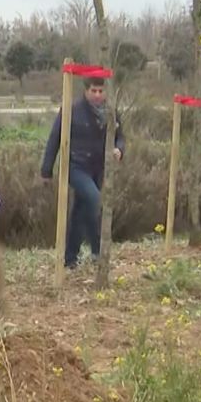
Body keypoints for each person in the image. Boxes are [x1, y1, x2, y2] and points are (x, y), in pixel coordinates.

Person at [40, 77, 125, 269]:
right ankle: (98, 252)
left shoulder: (110, 112)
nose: (97, 95)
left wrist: (119, 149)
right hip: (75, 166)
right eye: (93, 91)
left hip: (98, 167)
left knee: (80, 211)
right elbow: (54, 138)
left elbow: (121, 137)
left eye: (100, 91)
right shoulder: (72, 110)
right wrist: (46, 171)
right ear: (86, 91)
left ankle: (70, 258)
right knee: (94, 200)